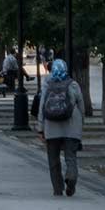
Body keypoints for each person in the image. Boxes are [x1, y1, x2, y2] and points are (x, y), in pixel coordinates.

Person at [38, 58, 87, 196]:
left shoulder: (47, 85)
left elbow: (42, 107)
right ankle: (71, 178)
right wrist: (81, 124)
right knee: (70, 157)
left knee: (53, 160)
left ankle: (57, 189)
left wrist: (40, 128)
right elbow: (81, 107)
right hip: (72, 127)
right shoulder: (73, 85)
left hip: (51, 128)